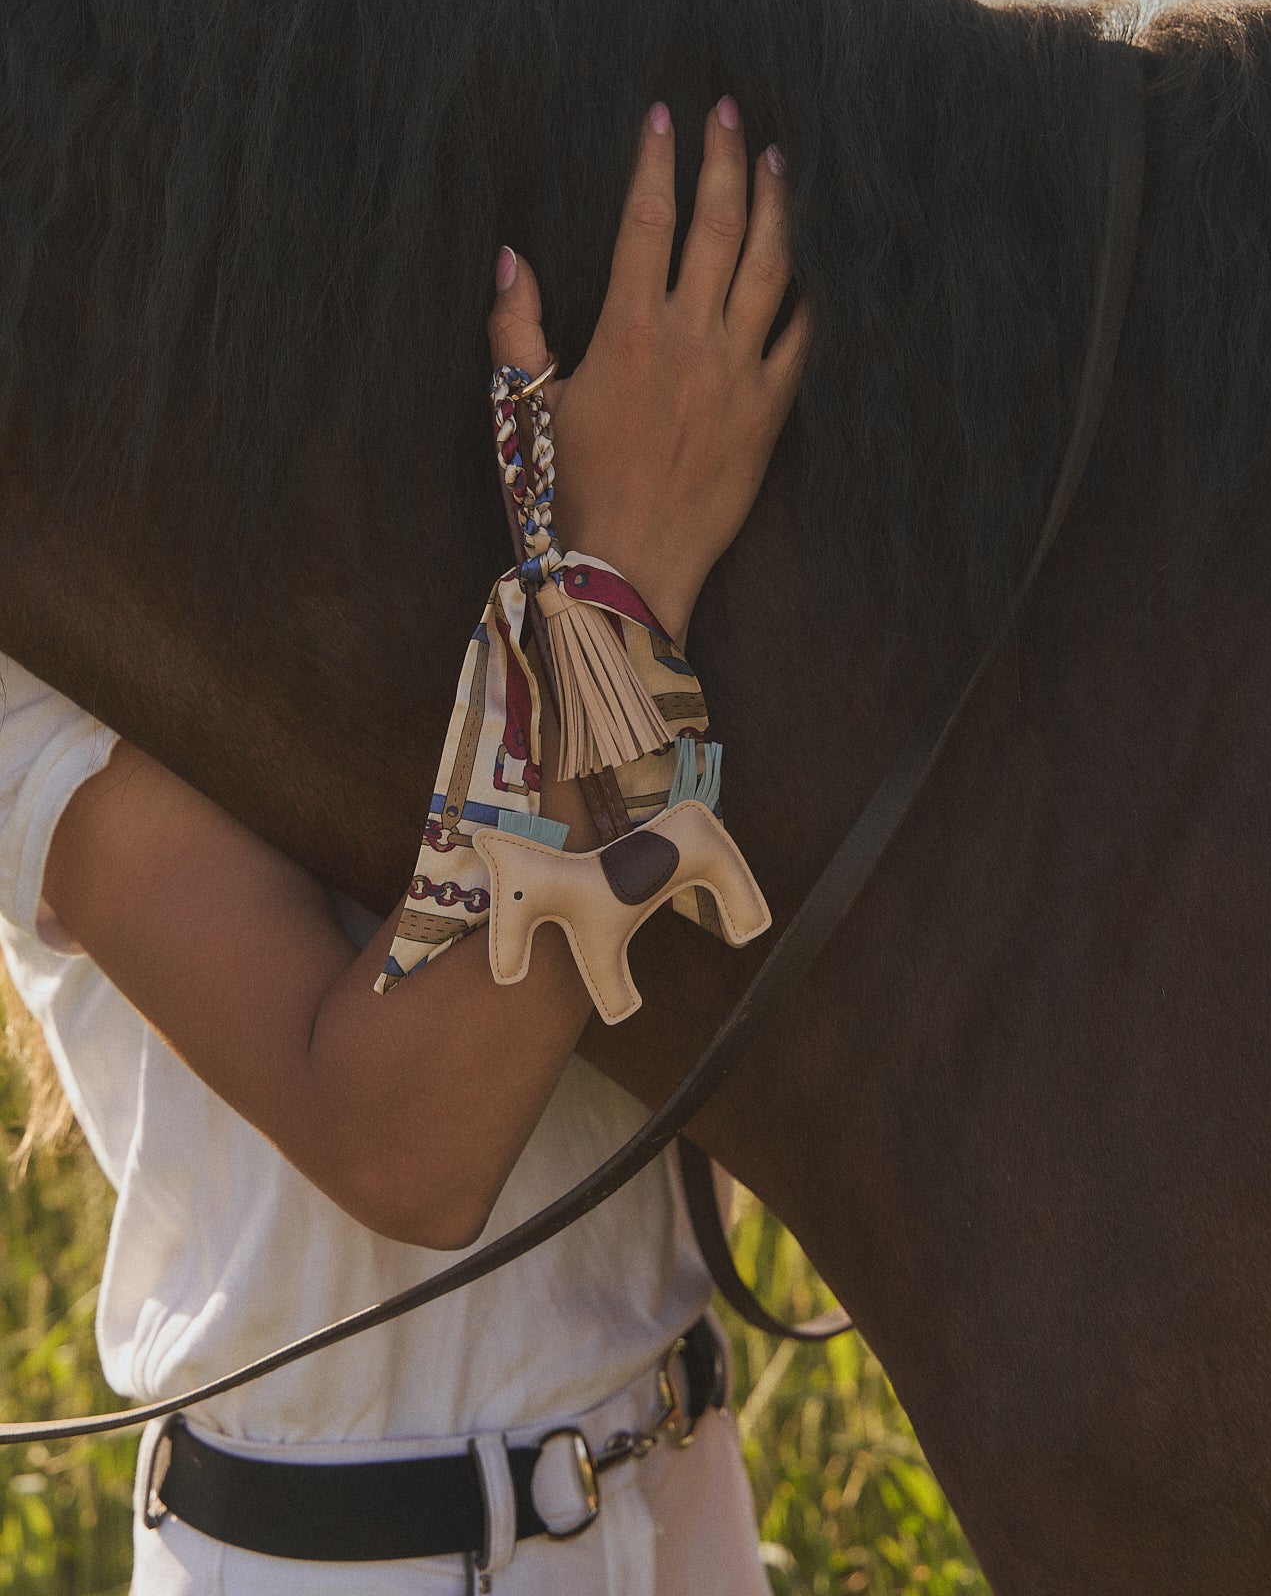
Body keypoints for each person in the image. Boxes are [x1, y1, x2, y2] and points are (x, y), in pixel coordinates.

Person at [0, 95, 809, 1592]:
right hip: (350, 1560)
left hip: (685, 1497)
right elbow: (406, 1142)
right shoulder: (38, 642)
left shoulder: (469, 489)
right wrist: (618, 587)